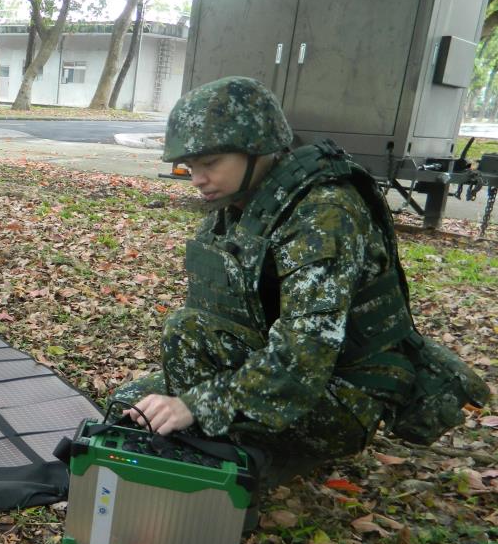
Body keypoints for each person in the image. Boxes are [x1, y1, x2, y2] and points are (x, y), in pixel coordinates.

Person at [114, 75, 426, 488]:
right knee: (128, 408)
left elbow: (304, 358)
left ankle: (247, 464)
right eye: (190, 167)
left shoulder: (323, 213)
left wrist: (195, 404)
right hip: (285, 368)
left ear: (259, 149)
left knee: (181, 372)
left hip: (345, 393)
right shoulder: (244, 203)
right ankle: (227, 448)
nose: (197, 180)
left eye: (210, 164)